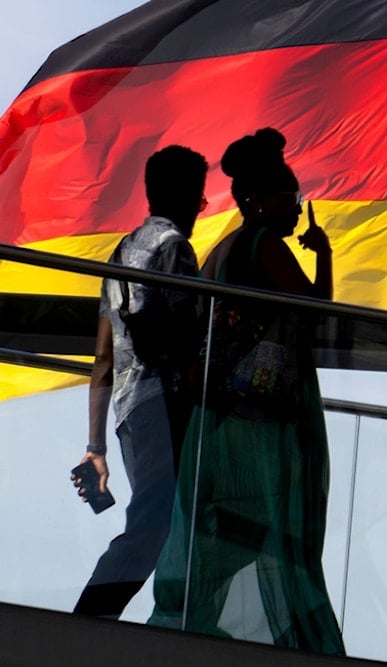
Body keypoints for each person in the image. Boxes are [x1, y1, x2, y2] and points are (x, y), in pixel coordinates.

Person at [148, 128, 344, 655]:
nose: (298, 210)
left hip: (216, 422)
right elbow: (316, 310)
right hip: (261, 424)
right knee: (281, 534)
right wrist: (323, 254)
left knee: (217, 542)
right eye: (292, 198)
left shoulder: (221, 250)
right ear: (260, 199)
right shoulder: (265, 243)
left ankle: (183, 641)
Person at [72, 145, 209, 618]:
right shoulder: (174, 247)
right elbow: (182, 337)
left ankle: (102, 617)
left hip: (130, 410)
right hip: (166, 403)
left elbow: (104, 357)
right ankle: (90, 619)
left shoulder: (119, 253)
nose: (203, 207)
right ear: (188, 197)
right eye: (200, 197)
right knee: (158, 521)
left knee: (162, 516)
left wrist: (96, 446)